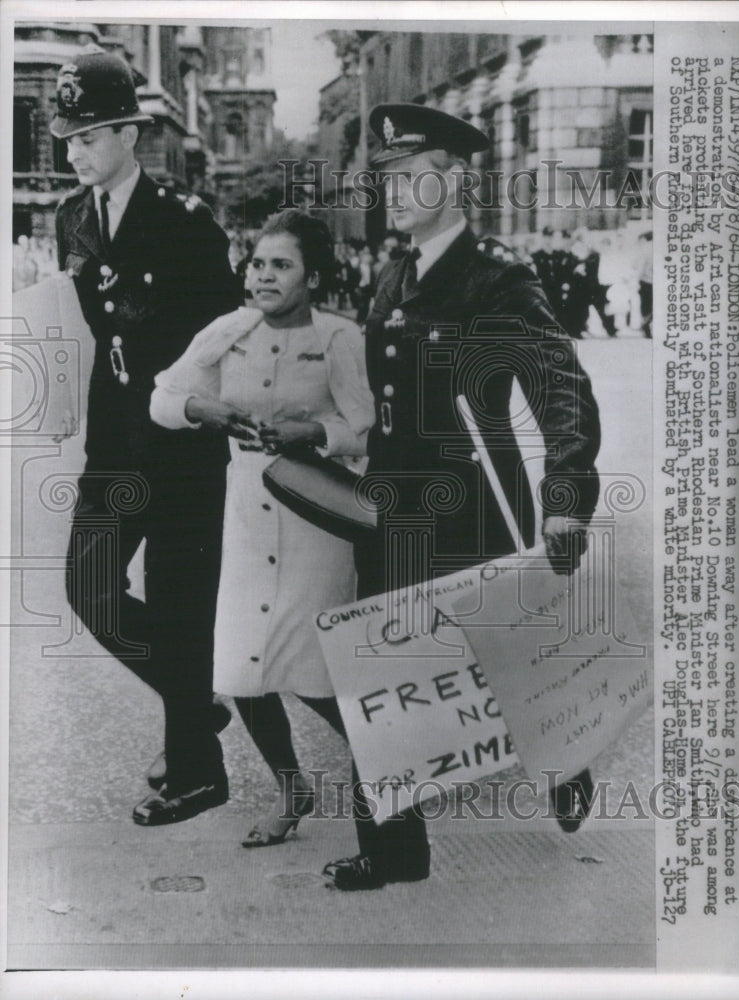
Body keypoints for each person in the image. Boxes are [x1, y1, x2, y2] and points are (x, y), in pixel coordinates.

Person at [319, 103, 603, 891]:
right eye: (387, 180)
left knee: (505, 673)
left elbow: (559, 387)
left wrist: (566, 494)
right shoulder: (391, 274)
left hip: (478, 508)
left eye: (410, 177)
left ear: (455, 179)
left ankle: (566, 752)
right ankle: (393, 849)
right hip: (393, 512)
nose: (395, 194)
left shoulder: (495, 277)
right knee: (381, 677)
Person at [51, 46, 242, 826]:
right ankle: (195, 700)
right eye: (68, 138)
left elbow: (229, 334)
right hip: (112, 447)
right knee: (89, 588)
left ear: (132, 132)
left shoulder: (184, 223)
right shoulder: (72, 218)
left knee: (177, 605)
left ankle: (198, 772)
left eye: (90, 135)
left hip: (183, 452)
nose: (77, 151)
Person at [149, 210, 375, 850]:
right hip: (247, 512)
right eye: (257, 263)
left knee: (316, 666)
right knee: (242, 666)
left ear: (312, 276)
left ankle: (389, 762)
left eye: (281, 265)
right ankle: (292, 787)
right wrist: (203, 408)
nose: (264, 275)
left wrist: (316, 433)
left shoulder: (339, 338)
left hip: (316, 517)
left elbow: (366, 426)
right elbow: (161, 398)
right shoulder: (228, 331)